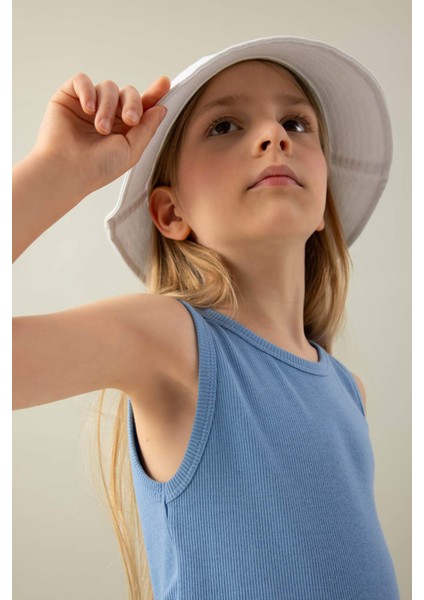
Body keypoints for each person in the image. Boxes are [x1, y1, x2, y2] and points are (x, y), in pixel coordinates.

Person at [13, 36, 400, 600]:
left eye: (296, 123)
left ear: (324, 203)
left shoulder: (347, 390)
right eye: (225, 126)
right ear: (171, 213)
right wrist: (55, 171)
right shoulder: (172, 342)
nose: (274, 137)